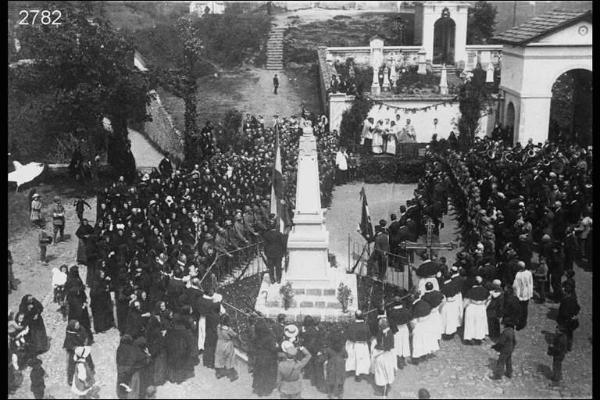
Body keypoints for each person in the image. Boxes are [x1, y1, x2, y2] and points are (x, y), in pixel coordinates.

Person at [252, 319, 279, 396]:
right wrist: (277, 346)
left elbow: (254, 346)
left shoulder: (256, 337)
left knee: (259, 373)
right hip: (269, 357)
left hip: (259, 357)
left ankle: (259, 388)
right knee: (268, 373)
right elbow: (273, 348)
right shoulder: (270, 336)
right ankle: (267, 389)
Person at [372, 316, 396, 396]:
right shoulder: (390, 333)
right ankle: (387, 385)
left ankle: (384, 390)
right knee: (388, 371)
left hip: (381, 355)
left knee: (381, 373)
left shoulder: (380, 333)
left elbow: (378, 343)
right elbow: (391, 346)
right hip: (387, 355)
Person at [323, 331, 347, 400]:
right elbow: (346, 355)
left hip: (331, 365)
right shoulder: (342, 348)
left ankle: (331, 394)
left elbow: (325, 357)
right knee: (341, 380)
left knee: (331, 380)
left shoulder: (329, 349)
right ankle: (340, 394)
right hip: (340, 365)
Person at [512, 261, 533, 330]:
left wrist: (515, 294)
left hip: (520, 294)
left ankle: (519, 323)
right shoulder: (529, 273)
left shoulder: (518, 274)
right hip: (527, 293)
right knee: (525, 309)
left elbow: (515, 286)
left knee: (520, 309)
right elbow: (530, 282)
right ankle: (523, 322)